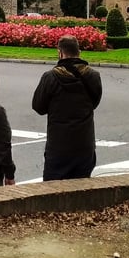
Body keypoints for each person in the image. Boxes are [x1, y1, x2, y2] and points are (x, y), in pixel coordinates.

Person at [32, 35, 103, 181]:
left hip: (59, 145)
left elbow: (38, 106)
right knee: (81, 190)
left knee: (52, 192)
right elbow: (94, 103)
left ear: (60, 53)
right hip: (84, 143)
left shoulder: (50, 77)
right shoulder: (93, 76)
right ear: (79, 52)